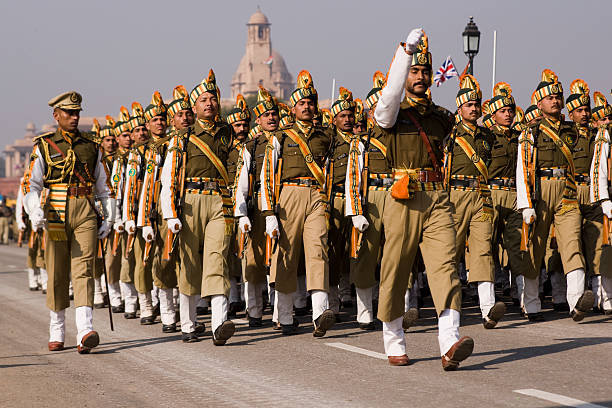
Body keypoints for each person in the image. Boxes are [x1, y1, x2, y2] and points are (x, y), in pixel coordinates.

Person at [373, 28, 473, 369]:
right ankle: (394, 337)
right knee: (396, 269)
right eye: (415, 70)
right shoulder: (392, 113)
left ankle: (449, 341)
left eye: (424, 71)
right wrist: (406, 51)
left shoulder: (441, 118)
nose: (420, 76)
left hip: (437, 198)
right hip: (402, 197)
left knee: (446, 265)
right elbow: (388, 96)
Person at [23, 91, 114, 353]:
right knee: (57, 271)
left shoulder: (91, 145)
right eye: (69, 113)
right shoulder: (43, 145)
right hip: (55, 210)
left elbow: (103, 185)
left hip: (84, 208)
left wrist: (108, 215)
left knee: (84, 268)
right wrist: (34, 210)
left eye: (77, 113)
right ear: (56, 115)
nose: (74, 117)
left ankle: (85, 330)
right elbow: (33, 184)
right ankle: (57, 328)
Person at [160, 69, 236, 345]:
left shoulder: (227, 134)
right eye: (203, 99)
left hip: (219, 200)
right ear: (194, 107)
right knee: (189, 264)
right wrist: (170, 214)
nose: (209, 104)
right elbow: (168, 177)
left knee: (217, 259)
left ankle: (218, 323)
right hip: (189, 202)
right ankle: (189, 324)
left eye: (213, 98)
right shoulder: (182, 138)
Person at [261, 70, 336, 336]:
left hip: (315, 195)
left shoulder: (324, 136)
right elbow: (268, 175)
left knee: (318, 250)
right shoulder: (280, 137)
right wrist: (269, 212)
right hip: (288, 196)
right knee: (286, 255)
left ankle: (319, 314)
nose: (307, 107)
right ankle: (285, 316)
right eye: (302, 103)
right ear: (293, 109)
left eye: (310, 103)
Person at [517, 69, 592, 322]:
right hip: (541, 190)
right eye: (550, 97)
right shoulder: (532, 131)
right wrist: (526, 204)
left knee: (572, 245)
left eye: (559, 97)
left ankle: (577, 302)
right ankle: (531, 304)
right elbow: (524, 168)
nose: (556, 101)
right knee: (536, 249)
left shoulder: (572, 130)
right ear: (539, 103)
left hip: (567, 189)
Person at [235, 86, 280, 327]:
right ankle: (253, 310)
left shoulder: (287, 139)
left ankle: (279, 311)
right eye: (266, 115)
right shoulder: (251, 147)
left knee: (279, 259)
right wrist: (242, 213)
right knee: (253, 261)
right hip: (258, 206)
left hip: (283, 205)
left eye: (274, 113)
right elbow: (242, 183)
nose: (271, 118)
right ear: (259, 119)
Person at [225, 94, 252, 316]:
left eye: (244, 124)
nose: (241, 128)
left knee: (249, 253)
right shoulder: (225, 149)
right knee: (231, 254)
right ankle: (233, 297)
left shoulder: (253, 146)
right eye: (237, 125)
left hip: (251, 203)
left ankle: (250, 299)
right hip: (228, 204)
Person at [588, 91, 612, 314]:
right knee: (607, 249)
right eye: (603, 119)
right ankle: (606, 298)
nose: (607, 123)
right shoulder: (604, 138)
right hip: (609, 198)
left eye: (609, 119)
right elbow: (599, 171)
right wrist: (604, 198)